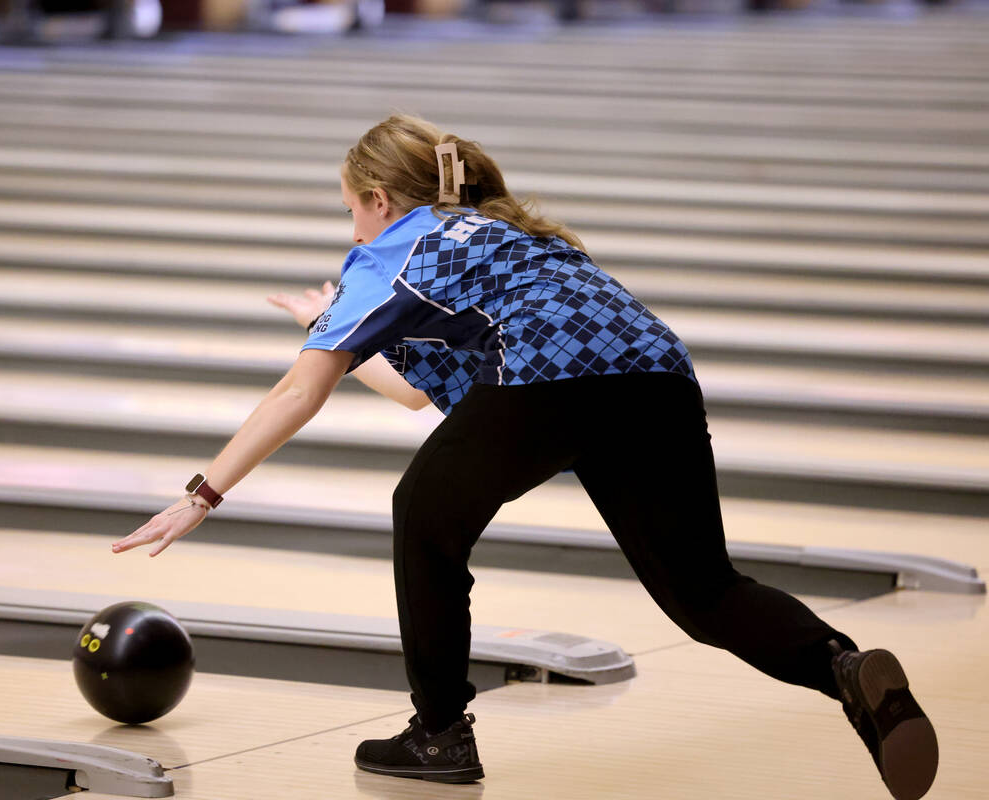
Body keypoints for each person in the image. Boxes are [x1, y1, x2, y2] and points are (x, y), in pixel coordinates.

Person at [111, 114, 939, 799]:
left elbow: (298, 393)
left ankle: (439, 735)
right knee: (703, 589)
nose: (349, 230)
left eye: (349, 211)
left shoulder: (389, 248)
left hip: (551, 380)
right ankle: (844, 668)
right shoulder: (503, 234)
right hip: (656, 374)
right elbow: (420, 395)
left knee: (424, 517)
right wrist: (322, 326)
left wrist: (202, 493)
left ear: (375, 198)